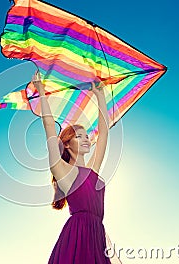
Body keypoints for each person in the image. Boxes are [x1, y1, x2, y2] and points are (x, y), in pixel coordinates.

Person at [31, 72, 122, 264]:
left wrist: (100, 96)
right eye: (78, 136)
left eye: (86, 135)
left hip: (97, 236)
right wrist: (41, 90)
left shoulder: (92, 169)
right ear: (66, 144)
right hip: (77, 237)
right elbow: (49, 125)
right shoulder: (63, 170)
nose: (86, 139)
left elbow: (104, 132)